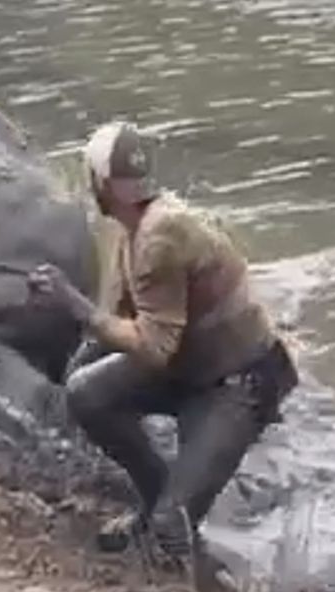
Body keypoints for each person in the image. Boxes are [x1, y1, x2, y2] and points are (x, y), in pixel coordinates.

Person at [28, 121, 298, 576]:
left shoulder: (159, 237)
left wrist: (71, 303)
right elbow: (116, 320)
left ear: (100, 183)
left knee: (173, 526)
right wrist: (69, 380)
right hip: (190, 367)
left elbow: (153, 347)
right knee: (86, 393)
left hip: (239, 384)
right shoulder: (135, 230)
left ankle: (175, 549)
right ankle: (156, 503)